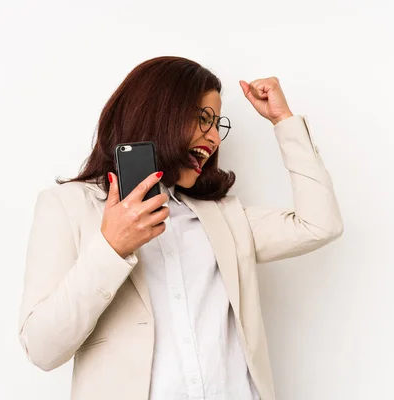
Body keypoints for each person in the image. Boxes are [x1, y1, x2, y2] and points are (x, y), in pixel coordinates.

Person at [18, 56, 343, 400]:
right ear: (159, 113)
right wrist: (111, 247)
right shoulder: (68, 207)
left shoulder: (224, 217)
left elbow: (320, 224)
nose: (214, 138)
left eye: (218, 124)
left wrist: (283, 121)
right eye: (203, 120)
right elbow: (42, 348)